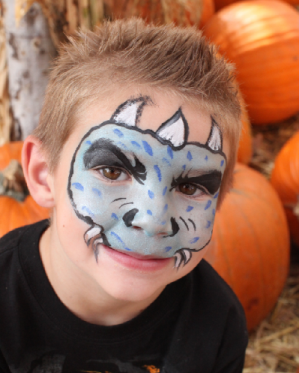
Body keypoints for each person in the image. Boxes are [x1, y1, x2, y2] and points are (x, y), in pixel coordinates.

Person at [0, 18, 248, 373]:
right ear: (43, 175)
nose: (153, 219)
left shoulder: (216, 324)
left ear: (220, 200)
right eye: (113, 172)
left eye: (190, 186)